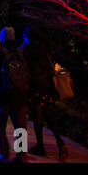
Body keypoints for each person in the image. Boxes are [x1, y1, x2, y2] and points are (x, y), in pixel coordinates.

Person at [22, 25, 67, 160]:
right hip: (47, 86)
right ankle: (60, 143)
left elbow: (25, 68)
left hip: (34, 86)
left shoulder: (26, 48)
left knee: (37, 118)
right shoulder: (46, 48)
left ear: (28, 35)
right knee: (51, 117)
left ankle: (40, 146)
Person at [0, 27, 30, 163]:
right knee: (21, 127)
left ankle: (4, 154)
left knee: (0, 125)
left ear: (1, 38)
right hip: (20, 94)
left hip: (2, 94)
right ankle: (22, 155)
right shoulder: (22, 52)